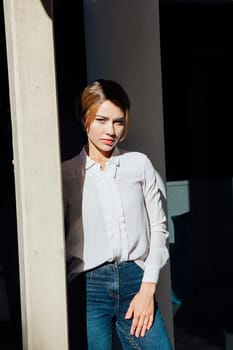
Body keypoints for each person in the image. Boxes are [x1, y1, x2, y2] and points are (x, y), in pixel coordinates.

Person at [62, 79, 172, 350]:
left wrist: (148, 288)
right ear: (84, 118)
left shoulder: (138, 164)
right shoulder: (65, 174)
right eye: (101, 119)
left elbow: (159, 228)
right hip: (88, 287)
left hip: (136, 279)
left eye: (118, 121)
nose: (110, 130)